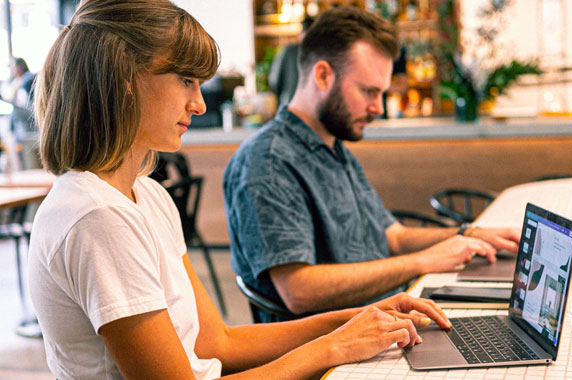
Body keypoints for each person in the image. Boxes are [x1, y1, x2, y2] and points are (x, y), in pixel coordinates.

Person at [27, 1, 451, 379]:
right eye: (186, 80)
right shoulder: (96, 217)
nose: (200, 103)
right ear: (125, 77)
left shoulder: (146, 195)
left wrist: (363, 316)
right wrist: (334, 346)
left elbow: (219, 345)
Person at [223, 6, 521, 322]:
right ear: (323, 75)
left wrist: (468, 235)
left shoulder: (334, 147)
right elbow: (299, 291)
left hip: (385, 318)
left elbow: (392, 236)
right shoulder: (268, 162)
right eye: (368, 91)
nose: (378, 107)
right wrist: (421, 262)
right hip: (332, 348)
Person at [268, 16, 314, 107]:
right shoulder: (321, 52)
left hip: (289, 106)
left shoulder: (288, 51)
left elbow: (274, 80)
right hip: (312, 110)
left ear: (300, 34)